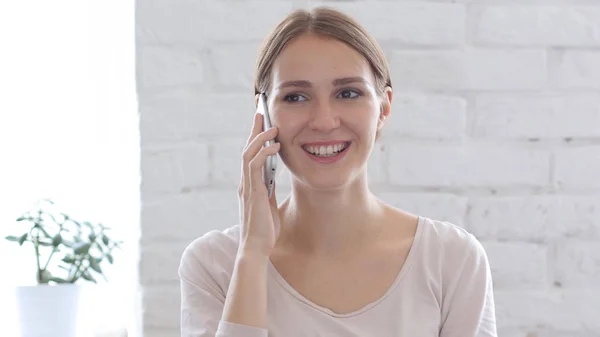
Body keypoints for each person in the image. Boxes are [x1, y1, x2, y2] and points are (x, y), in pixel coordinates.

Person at [179, 6, 497, 337]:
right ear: (263, 114)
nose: (324, 121)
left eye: (348, 93)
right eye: (296, 97)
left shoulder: (451, 259)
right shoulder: (214, 265)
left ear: (383, 108)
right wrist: (253, 256)